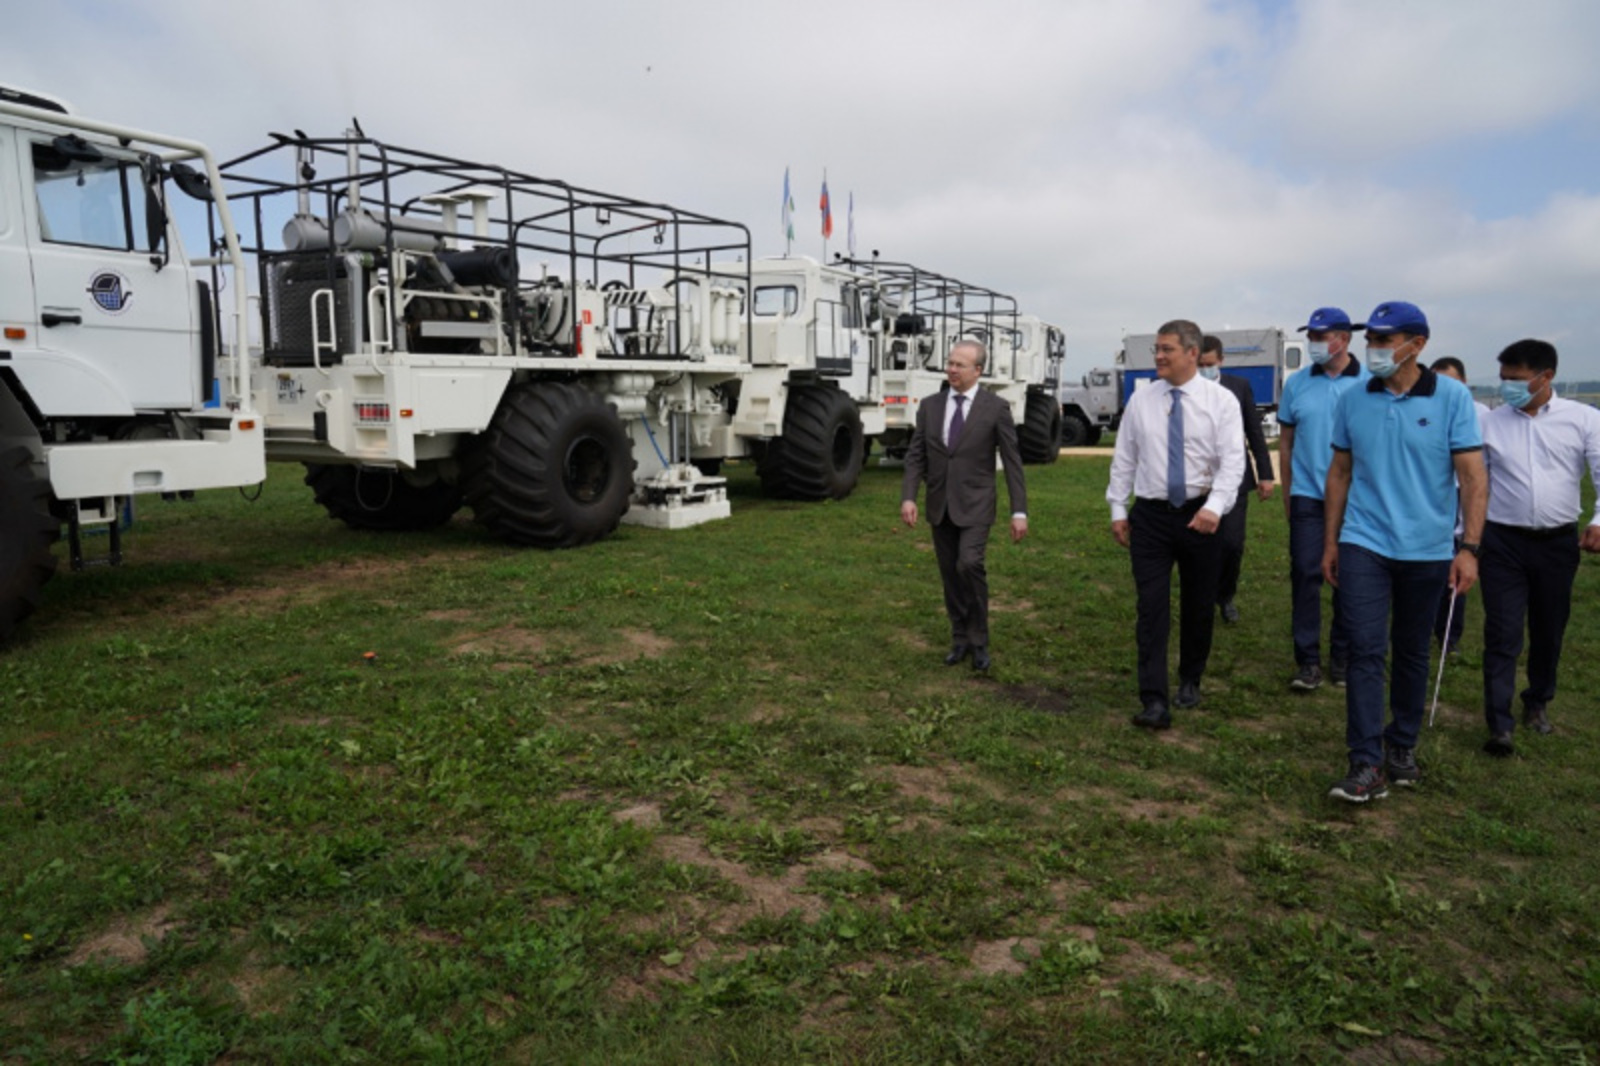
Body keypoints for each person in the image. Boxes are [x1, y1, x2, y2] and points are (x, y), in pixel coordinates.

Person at [1322, 301, 1486, 803]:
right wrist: (1331, 540)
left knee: (1413, 650)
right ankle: (1365, 763)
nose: (1373, 348)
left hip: (1428, 548)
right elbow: (1341, 472)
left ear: (1417, 344)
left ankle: (1402, 745)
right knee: (1365, 649)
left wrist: (1470, 548)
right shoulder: (1352, 398)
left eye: (1384, 340)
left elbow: (1472, 477)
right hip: (1364, 542)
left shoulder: (1453, 398)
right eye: (1369, 339)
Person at [1107, 320, 1244, 729]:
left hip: (1200, 516)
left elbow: (1232, 462)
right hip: (1150, 517)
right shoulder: (1142, 401)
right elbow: (1125, 458)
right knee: (1151, 608)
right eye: (1156, 349)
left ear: (1191, 352)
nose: (1159, 356)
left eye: (1167, 349)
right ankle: (1153, 699)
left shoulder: (1220, 402)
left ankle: (1190, 677)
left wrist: (1215, 507)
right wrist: (1118, 508)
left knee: (1198, 603)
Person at [1477, 339, 1600, 757]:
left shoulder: (1582, 420)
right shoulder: (1492, 423)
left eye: (1515, 379)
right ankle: (1499, 722)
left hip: (1557, 543)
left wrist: (1599, 521)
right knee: (1502, 631)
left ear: (1545, 377)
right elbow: (1477, 484)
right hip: (1502, 542)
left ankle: (1538, 701)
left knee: (1549, 627)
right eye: (1503, 379)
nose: (1507, 386)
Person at [901, 340, 1028, 673]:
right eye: (950, 363)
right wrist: (909, 496)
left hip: (976, 504)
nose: (952, 369)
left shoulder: (995, 408)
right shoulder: (930, 406)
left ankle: (980, 641)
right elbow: (916, 455)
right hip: (939, 504)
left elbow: (1013, 463)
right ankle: (960, 639)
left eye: (960, 365)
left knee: (969, 564)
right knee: (950, 575)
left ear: (978, 371)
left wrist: (1019, 511)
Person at [1277, 307, 1369, 691]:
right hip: (1308, 497)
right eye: (1310, 336)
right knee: (1306, 575)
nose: (1313, 343)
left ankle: (1344, 658)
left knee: (1352, 578)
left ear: (1344, 339)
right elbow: (1285, 444)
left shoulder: (1369, 383)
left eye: (1320, 336)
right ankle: (1308, 660)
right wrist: (1288, 493)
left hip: (1359, 500)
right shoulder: (1297, 384)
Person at [1198, 334, 1275, 624]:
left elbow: (1254, 431)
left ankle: (1225, 595)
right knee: (1202, 545)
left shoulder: (1238, 387)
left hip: (1235, 480)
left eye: (1209, 364)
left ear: (1220, 361)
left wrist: (1266, 474)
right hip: (1199, 480)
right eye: (1199, 363)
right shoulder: (1187, 388)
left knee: (1231, 543)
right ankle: (1202, 596)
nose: (1204, 369)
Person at [1428, 357, 1491, 655]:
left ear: (1463, 384)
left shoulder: (1482, 415)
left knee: (1458, 563)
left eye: (1450, 382)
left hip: (1463, 494)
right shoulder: (1426, 407)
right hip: (1433, 495)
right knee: (1431, 567)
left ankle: (1449, 635)